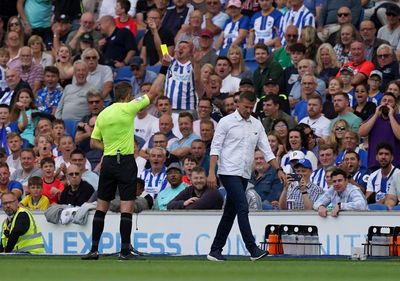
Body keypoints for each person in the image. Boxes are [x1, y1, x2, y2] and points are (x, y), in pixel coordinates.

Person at [82, 57, 167, 260]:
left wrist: (109, 147)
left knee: (101, 206)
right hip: (125, 161)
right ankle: (125, 251)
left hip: (109, 162)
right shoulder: (128, 107)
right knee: (126, 206)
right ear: (128, 95)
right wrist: (163, 67)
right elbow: (153, 93)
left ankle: (94, 249)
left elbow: (93, 143)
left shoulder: (102, 114)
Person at [206, 91, 285, 262]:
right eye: (246, 107)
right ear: (238, 104)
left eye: (251, 107)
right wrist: (212, 172)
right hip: (228, 171)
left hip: (244, 173)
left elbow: (266, 150)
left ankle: (215, 250)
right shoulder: (226, 122)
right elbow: (215, 148)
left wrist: (279, 169)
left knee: (230, 213)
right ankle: (252, 249)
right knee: (243, 206)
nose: (249, 110)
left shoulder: (257, 125)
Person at [359, 92, 400, 168]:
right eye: (384, 100)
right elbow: (361, 133)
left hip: (395, 164)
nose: (386, 103)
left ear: (395, 105)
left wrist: (391, 116)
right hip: (375, 163)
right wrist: (375, 115)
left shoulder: (398, 118)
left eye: (390, 101)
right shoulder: (373, 117)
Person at [366, 143, 400, 208]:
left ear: (392, 158)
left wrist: (381, 203)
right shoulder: (373, 176)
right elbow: (367, 199)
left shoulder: (398, 174)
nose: (383, 157)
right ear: (376, 157)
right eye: (380, 154)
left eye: (386, 154)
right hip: (376, 212)